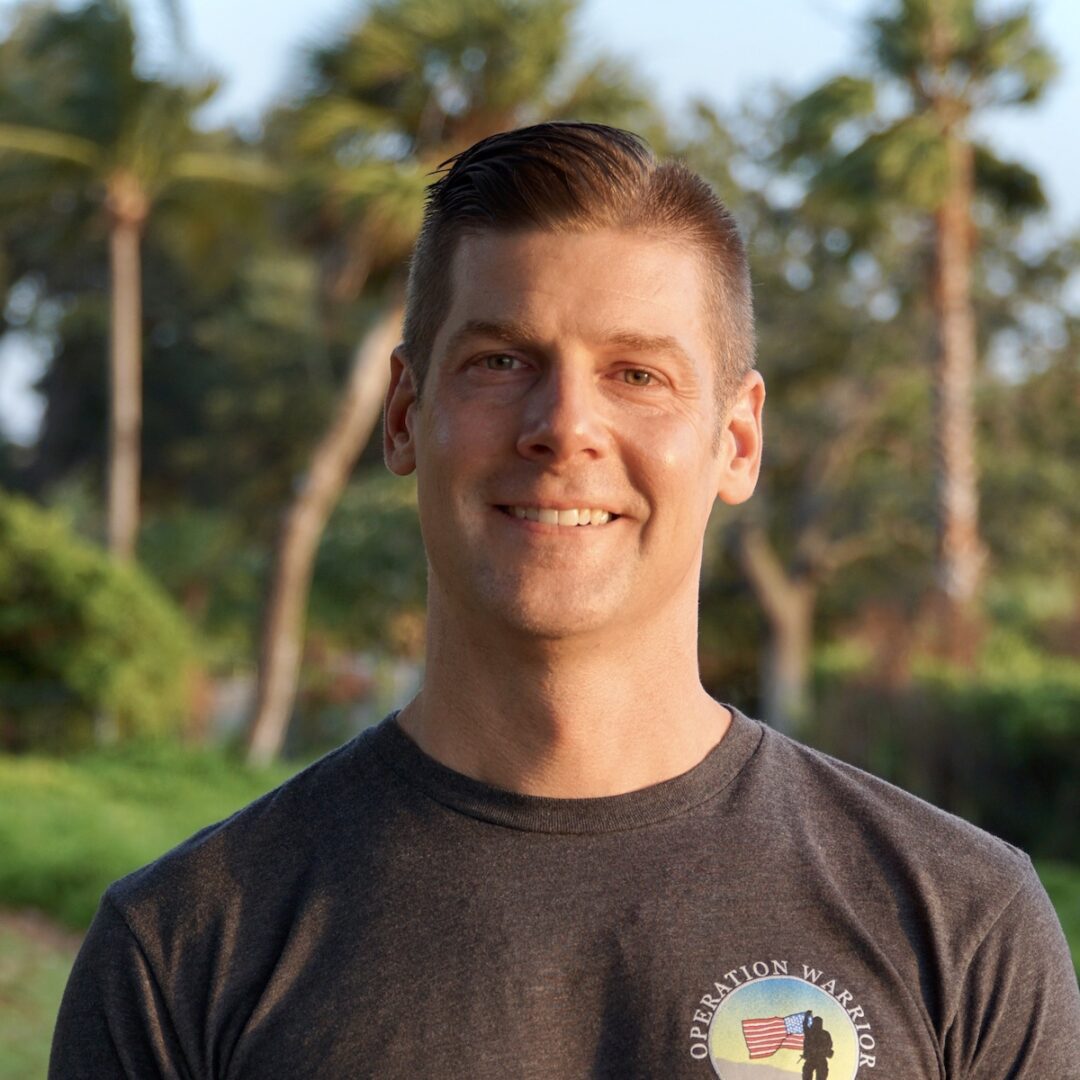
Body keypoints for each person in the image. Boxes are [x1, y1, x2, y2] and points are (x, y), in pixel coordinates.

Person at [51, 122, 1079, 1079]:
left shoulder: (958, 923)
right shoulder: (185, 947)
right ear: (406, 416)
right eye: (502, 363)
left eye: (636, 374)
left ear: (738, 440)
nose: (564, 426)